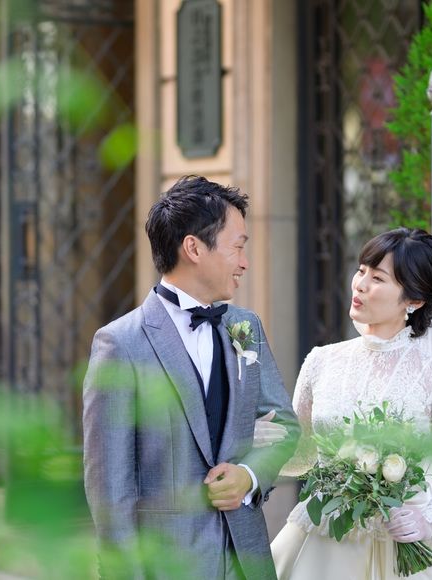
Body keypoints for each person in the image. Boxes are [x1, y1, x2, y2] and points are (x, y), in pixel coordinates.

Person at [83, 175, 300, 579]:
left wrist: (249, 476)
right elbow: (110, 489)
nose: (244, 262)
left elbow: (284, 426)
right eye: (238, 246)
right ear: (194, 248)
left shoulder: (246, 326)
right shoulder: (120, 343)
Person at [264, 227, 432, 579]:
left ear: (414, 301)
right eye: (361, 270)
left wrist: (429, 520)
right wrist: (264, 442)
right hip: (324, 537)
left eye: (378, 278)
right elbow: (303, 457)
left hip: (400, 544)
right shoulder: (321, 361)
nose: (360, 284)